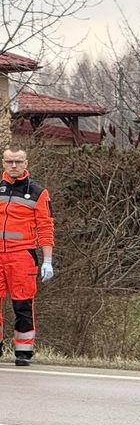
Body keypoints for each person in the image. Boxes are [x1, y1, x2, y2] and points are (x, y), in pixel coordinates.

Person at [0, 146, 54, 366]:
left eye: (18, 161)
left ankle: (23, 352)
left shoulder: (38, 192)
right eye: (9, 161)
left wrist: (48, 260)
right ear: (3, 163)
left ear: (26, 163)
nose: (14, 166)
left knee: (22, 305)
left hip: (22, 255)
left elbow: (45, 227)